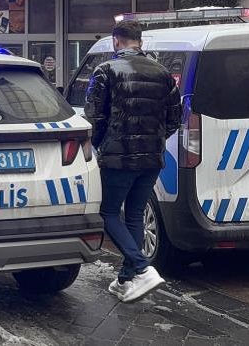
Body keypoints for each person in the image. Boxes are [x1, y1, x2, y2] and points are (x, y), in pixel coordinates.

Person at [84, 19, 181, 303]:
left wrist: (99, 146)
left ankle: (141, 267)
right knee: (135, 213)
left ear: (116, 40)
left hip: (118, 158)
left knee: (108, 213)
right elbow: (174, 118)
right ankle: (126, 279)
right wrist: (154, 140)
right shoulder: (163, 74)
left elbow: (94, 117)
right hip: (152, 157)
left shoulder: (105, 71)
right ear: (140, 41)